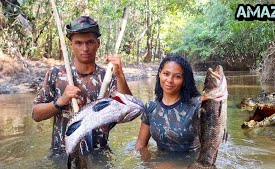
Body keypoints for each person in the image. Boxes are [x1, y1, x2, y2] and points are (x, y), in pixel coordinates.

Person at [32, 16, 131, 154]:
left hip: (98, 154)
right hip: (63, 155)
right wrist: (61, 101)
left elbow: (128, 110)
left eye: (90, 42)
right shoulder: (56, 74)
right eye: (78, 43)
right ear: (71, 44)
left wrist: (120, 75)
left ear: (98, 43)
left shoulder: (108, 76)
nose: (85, 48)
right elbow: (36, 114)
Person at [135, 55, 201, 152]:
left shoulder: (197, 105)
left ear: (184, 80)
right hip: (160, 162)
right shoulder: (151, 107)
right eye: (166, 74)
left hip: (191, 164)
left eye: (177, 76)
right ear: (159, 74)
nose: (170, 80)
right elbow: (140, 146)